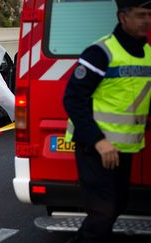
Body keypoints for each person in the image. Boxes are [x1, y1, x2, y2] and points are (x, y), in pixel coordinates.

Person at [63, 1, 151, 242]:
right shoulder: (101, 52)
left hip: (124, 148)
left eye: (149, 15)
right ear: (123, 17)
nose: (146, 20)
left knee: (117, 205)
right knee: (103, 212)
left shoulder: (147, 54)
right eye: (140, 15)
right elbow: (73, 99)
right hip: (96, 147)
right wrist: (99, 142)